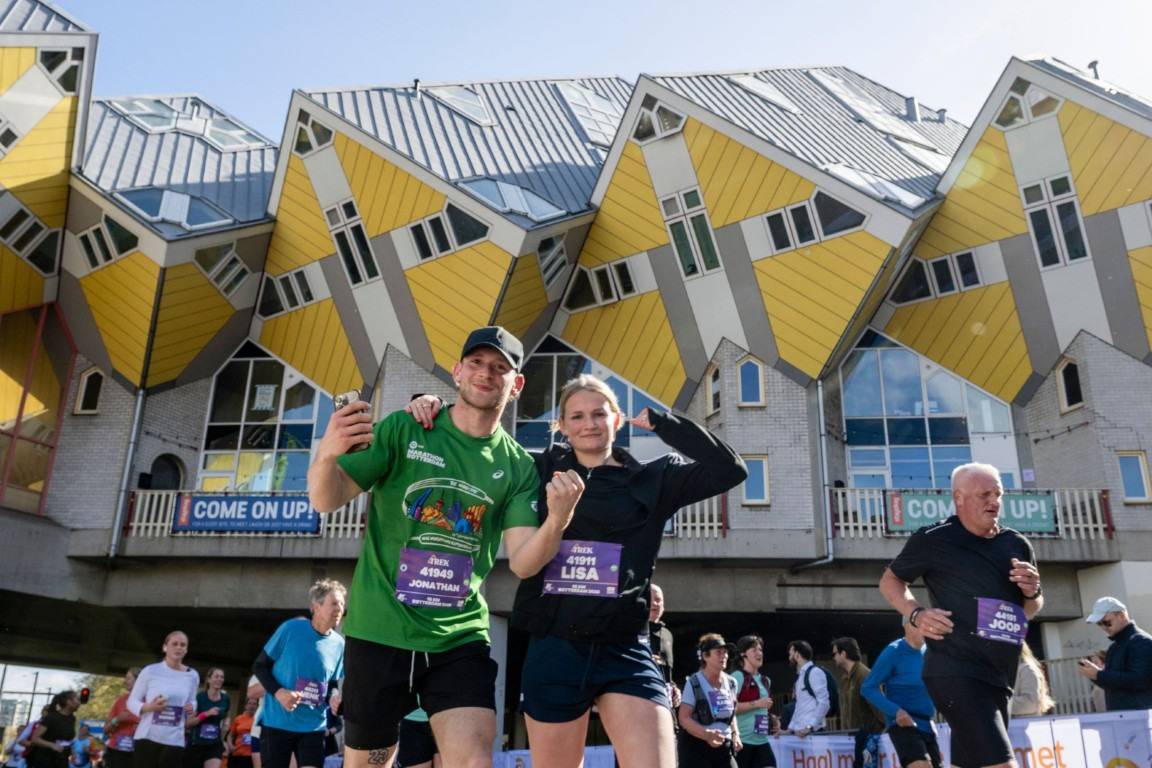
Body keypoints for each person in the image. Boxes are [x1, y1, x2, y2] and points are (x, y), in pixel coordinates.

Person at [412, 373, 745, 768]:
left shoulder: (655, 478)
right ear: (562, 426)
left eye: (599, 414)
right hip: (555, 648)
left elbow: (731, 469)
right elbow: (474, 450)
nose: (590, 424)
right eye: (577, 416)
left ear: (616, 420)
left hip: (625, 648)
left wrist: (664, 423)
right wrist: (434, 407)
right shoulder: (535, 469)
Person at [307, 326, 584, 768]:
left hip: (458, 637)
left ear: (516, 384)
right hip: (379, 630)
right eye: (476, 362)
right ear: (457, 371)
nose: (485, 373)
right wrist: (327, 453)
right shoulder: (406, 428)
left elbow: (525, 563)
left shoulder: (517, 466)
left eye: (499, 368)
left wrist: (557, 520)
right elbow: (327, 498)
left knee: (473, 761)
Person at [879, 462, 1043, 768]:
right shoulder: (934, 538)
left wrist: (1033, 592)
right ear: (959, 498)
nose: (994, 501)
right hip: (955, 670)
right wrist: (916, 613)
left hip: (1000, 674)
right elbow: (890, 581)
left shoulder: (1017, 543)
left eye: (998, 494)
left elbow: (1029, 610)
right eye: (984, 495)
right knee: (1001, 764)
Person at [251, 580, 347, 768]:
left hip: (314, 726)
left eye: (343, 604)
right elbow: (260, 666)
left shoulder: (339, 644)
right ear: (316, 607)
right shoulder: (290, 629)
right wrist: (280, 693)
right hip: (277, 723)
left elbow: (332, 683)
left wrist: (334, 697)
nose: (340, 609)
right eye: (334, 603)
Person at [860, 618, 941, 768]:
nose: (928, 629)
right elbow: (868, 687)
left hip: (927, 724)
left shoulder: (929, 651)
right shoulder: (894, 651)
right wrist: (896, 712)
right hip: (902, 724)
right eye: (923, 624)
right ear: (908, 626)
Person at [127, 631, 200, 768]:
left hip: (174, 739)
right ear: (165, 647)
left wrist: (191, 706)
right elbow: (131, 702)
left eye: (183, 645)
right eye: (175, 644)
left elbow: (192, 700)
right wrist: (150, 707)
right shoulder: (150, 671)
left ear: (186, 650)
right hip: (148, 736)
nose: (179, 647)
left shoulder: (192, 675)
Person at [1077, 596, 1152, 710]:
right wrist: (1094, 675)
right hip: (1125, 714)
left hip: (1140, 714)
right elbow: (1114, 685)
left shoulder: (1141, 641)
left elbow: (1139, 681)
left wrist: (1099, 675)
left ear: (1121, 615)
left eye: (1106, 622)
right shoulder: (1115, 646)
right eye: (1099, 623)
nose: (1103, 627)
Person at [678, 635, 740, 768]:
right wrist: (706, 735)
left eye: (725, 652)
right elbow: (683, 718)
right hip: (696, 748)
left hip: (724, 747)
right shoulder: (694, 682)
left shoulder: (732, 683)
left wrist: (736, 734)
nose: (724, 656)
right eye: (718, 652)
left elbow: (731, 713)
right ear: (705, 656)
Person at [831, 638, 883, 768]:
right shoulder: (845, 678)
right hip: (852, 740)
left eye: (834, 653)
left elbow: (880, 709)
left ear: (843, 654)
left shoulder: (865, 675)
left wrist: (881, 734)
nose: (833, 657)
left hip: (867, 739)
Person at [731, 636, 775, 768]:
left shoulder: (766, 680)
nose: (759, 653)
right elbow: (730, 708)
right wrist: (757, 704)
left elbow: (763, 709)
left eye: (760, 650)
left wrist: (773, 720)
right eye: (754, 650)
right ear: (743, 654)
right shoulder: (737, 677)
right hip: (742, 742)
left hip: (762, 740)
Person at [185, 669, 230, 768]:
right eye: (216, 676)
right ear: (209, 679)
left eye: (222, 677)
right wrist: (206, 714)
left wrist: (226, 723)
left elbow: (226, 714)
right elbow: (188, 724)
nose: (219, 679)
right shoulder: (199, 697)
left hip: (214, 744)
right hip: (196, 744)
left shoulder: (226, 698)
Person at [648, 584, 681, 710]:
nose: (654, 603)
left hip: (666, 704)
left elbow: (667, 672)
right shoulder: (631, 632)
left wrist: (674, 689)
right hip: (642, 701)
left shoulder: (667, 634)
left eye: (658, 600)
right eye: (650, 599)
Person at [26, 692, 79, 768]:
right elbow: (34, 738)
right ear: (68, 701)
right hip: (45, 761)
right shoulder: (51, 717)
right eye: (77, 699)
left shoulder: (72, 718)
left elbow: (66, 740)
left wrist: (72, 752)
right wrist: (52, 745)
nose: (79, 702)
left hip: (62, 761)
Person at [786, 641, 827, 737]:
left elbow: (824, 703)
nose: (789, 658)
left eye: (790, 654)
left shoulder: (815, 672)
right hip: (801, 734)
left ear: (797, 654)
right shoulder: (800, 678)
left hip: (814, 734)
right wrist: (789, 729)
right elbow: (799, 707)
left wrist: (809, 727)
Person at [105, 669, 142, 768]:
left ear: (139, 680)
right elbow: (105, 730)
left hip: (138, 752)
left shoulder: (150, 702)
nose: (125, 681)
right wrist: (117, 719)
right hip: (116, 751)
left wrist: (141, 727)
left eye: (128, 678)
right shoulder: (120, 701)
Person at [1009, 644, 1053, 717]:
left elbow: (1031, 704)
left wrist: (996, 702)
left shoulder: (1027, 669)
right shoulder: (1010, 669)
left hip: (1024, 722)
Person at [225, 698, 258, 768]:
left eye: (254, 704)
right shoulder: (238, 718)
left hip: (252, 756)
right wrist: (230, 746)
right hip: (237, 753)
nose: (252, 706)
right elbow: (229, 735)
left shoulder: (260, 720)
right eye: (249, 703)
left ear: (257, 707)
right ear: (246, 706)